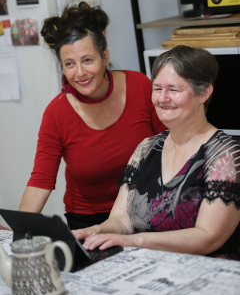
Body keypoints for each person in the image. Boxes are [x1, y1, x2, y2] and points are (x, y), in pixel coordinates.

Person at [73, 45, 240, 260]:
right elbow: (121, 221)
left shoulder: (225, 155)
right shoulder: (146, 148)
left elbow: (208, 238)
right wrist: (96, 231)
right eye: (157, 88)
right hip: (147, 266)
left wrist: (135, 241)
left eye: (173, 89)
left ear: (204, 93)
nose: (162, 98)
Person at [18, 1, 166, 229]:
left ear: (104, 57)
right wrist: (18, 231)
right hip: (89, 219)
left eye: (87, 60)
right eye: (69, 64)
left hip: (149, 206)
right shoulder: (56, 113)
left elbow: (170, 144)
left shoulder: (140, 85)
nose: (80, 73)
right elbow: (41, 180)